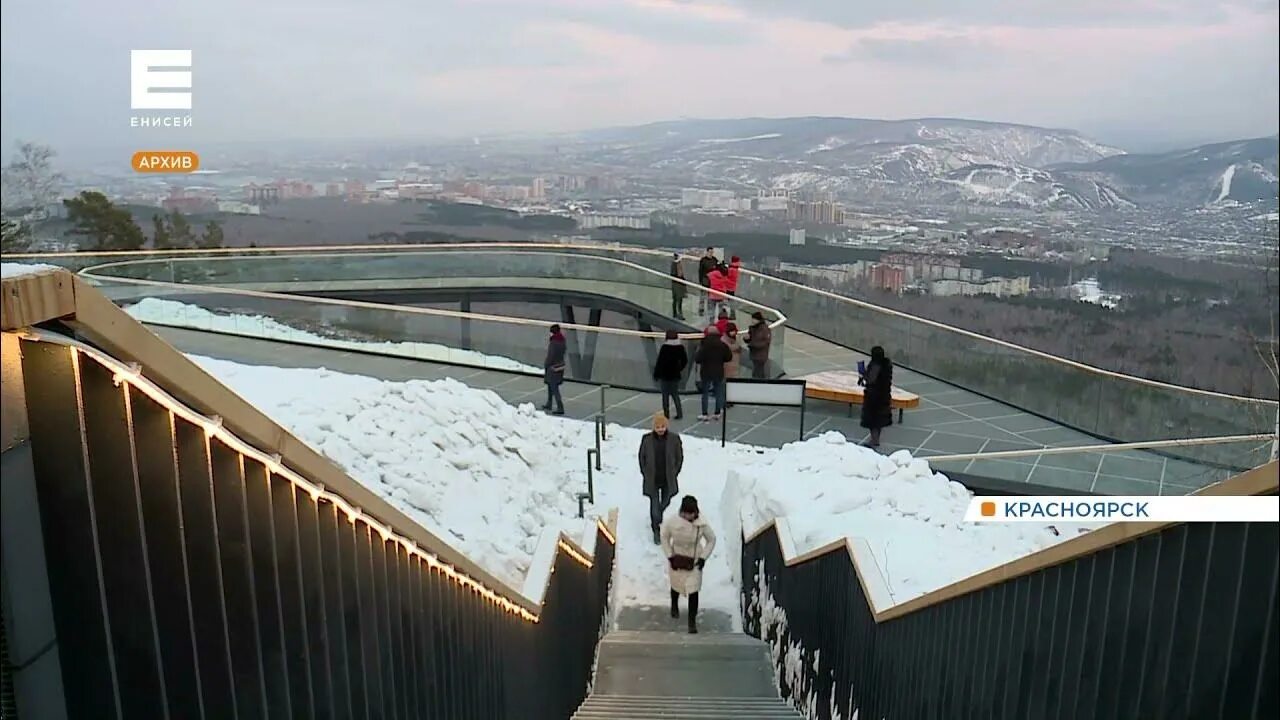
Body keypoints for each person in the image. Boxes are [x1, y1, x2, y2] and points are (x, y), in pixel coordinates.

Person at [661, 495, 716, 634]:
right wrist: (670, 555)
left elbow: (711, 539)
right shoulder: (672, 522)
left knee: (693, 590)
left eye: (692, 513)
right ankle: (674, 604)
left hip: (694, 559)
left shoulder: (701, 524)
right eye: (687, 513)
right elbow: (664, 536)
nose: (689, 517)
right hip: (677, 557)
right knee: (676, 584)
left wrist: (703, 557)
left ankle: (692, 621)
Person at [640, 413, 684, 544]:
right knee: (654, 505)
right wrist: (645, 472)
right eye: (658, 427)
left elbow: (679, 457)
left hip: (667, 478)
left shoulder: (674, 439)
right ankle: (656, 529)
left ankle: (658, 515)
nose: (660, 429)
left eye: (663, 426)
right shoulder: (646, 439)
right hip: (652, 478)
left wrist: (675, 472)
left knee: (665, 501)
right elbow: (641, 457)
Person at [694, 326, 733, 421]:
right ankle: (717, 412)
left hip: (706, 371)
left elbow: (698, 359)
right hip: (718, 371)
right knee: (718, 392)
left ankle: (705, 413)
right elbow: (729, 357)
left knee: (705, 393)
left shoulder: (704, 345)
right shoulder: (722, 345)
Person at [860, 345, 894, 447]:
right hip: (884, 395)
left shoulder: (875, 366)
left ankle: (874, 440)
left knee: (873, 419)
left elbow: (871, 380)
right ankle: (876, 439)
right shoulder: (887, 366)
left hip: (873, 396)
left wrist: (863, 374)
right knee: (879, 420)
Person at [653, 329, 688, 420]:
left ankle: (666, 414)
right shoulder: (680, 347)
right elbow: (685, 360)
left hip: (664, 374)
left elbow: (660, 362)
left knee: (665, 396)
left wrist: (656, 374)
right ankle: (679, 413)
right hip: (675, 374)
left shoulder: (665, 347)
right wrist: (679, 369)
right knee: (675, 395)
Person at [542, 324, 567, 415]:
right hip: (560, 366)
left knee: (553, 387)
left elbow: (550, 356)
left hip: (552, 368)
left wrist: (546, 364)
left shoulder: (553, 343)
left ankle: (560, 407)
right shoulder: (562, 341)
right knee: (552, 386)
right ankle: (549, 403)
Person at [746, 311, 772, 379]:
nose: (752, 321)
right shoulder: (752, 328)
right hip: (754, 354)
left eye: (754, 319)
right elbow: (749, 339)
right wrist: (746, 339)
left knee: (759, 372)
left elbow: (765, 342)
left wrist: (753, 345)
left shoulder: (764, 329)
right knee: (756, 370)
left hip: (761, 355)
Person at [697, 247, 719, 315]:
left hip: (712, 282)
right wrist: (700, 280)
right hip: (705, 280)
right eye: (710, 252)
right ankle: (701, 310)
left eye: (712, 252)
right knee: (703, 296)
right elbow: (700, 271)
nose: (711, 254)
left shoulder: (714, 259)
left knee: (710, 297)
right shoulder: (703, 260)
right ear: (707, 252)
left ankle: (709, 310)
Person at [669, 253, 687, 320]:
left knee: (678, 300)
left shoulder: (678, 264)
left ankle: (676, 313)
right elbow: (674, 275)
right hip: (677, 284)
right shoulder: (675, 264)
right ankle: (677, 314)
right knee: (677, 299)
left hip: (679, 284)